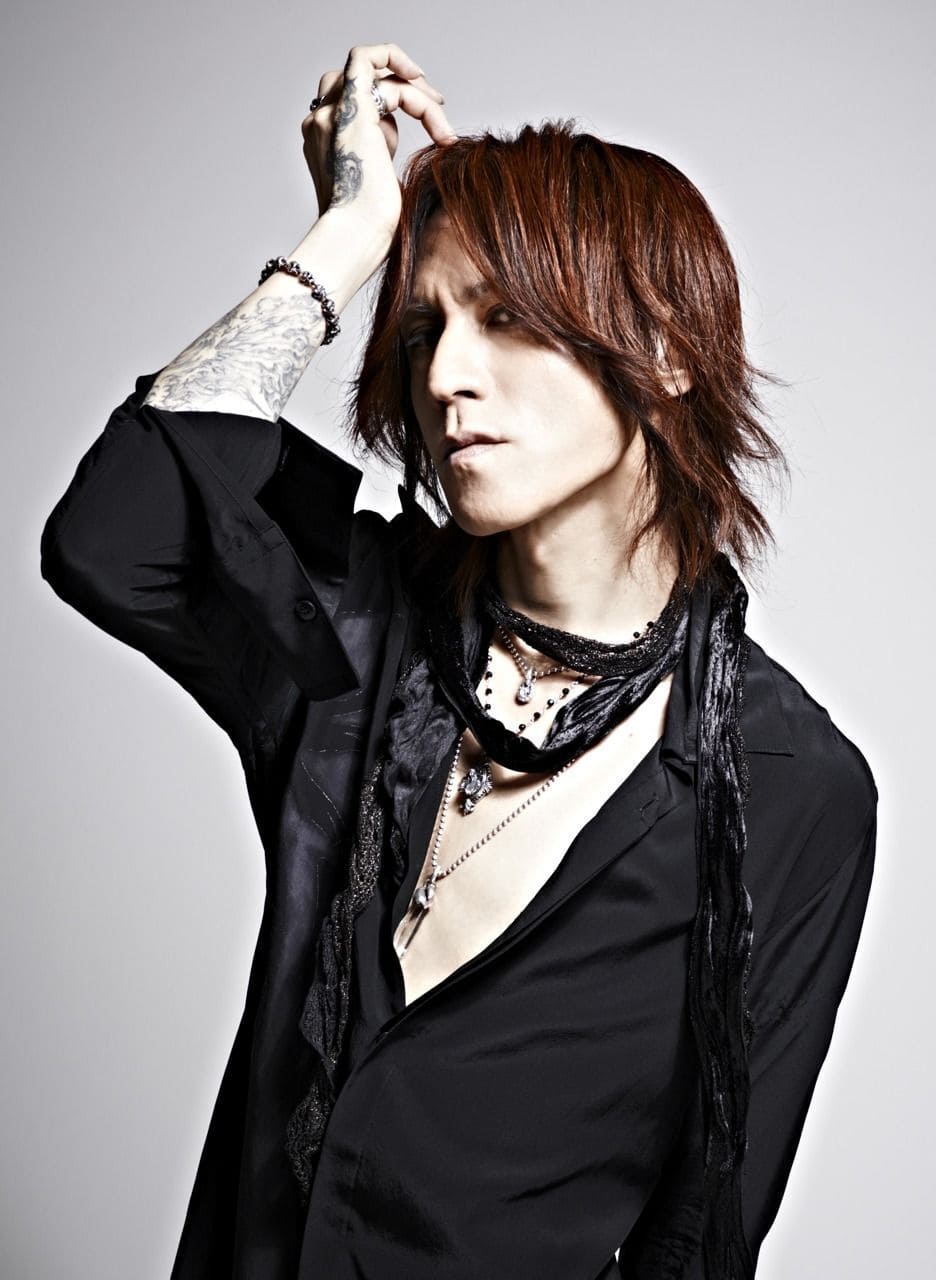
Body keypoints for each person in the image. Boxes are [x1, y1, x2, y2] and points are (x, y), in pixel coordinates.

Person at [39, 39, 876, 1280]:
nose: (443, 375)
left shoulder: (788, 782)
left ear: (664, 351)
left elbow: (702, 1231)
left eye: (506, 320)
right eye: (426, 326)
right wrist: (345, 239)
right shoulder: (363, 621)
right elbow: (112, 539)